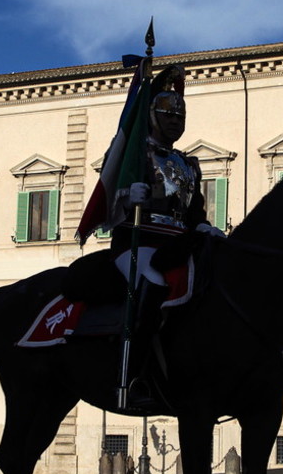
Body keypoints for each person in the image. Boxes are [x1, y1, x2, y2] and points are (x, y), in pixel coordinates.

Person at [81, 65, 221, 409]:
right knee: (153, 282)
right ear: (152, 116)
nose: (175, 120)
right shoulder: (135, 154)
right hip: (139, 241)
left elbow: (193, 210)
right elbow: (108, 198)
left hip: (178, 242)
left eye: (180, 114)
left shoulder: (188, 163)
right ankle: (131, 376)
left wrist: (202, 225)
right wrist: (129, 197)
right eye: (168, 113)